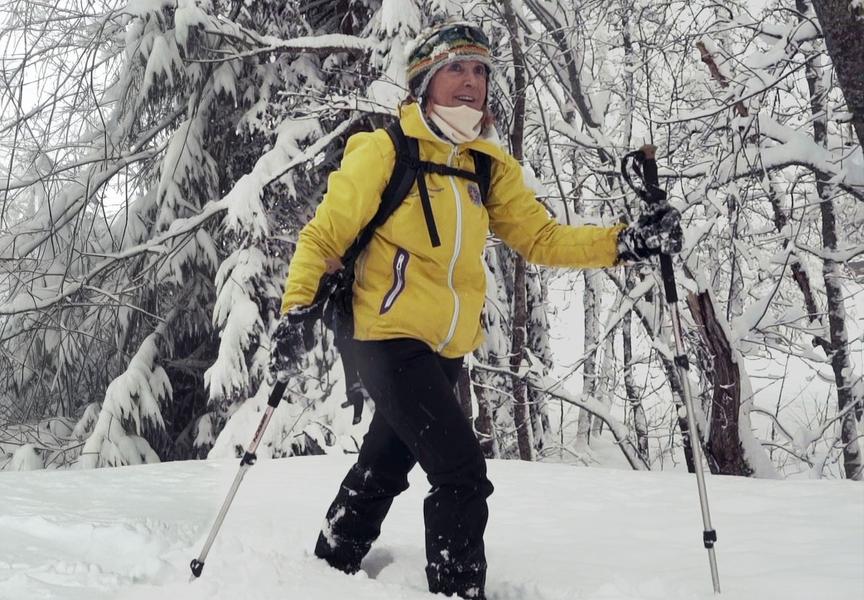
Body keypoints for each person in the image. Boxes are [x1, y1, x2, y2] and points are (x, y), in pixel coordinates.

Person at [271, 21, 682, 600]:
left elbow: (543, 240)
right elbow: (323, 237)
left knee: (386, 466)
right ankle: (457, 591)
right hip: (386, 338)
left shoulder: (487, 167)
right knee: (461, 473)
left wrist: (627, 242)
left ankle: (329, 561)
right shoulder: (387, 150)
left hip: (446, 349)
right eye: (456, 69)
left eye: (481, 71)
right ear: (425, 80)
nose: (471, 82)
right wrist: (295, 311)